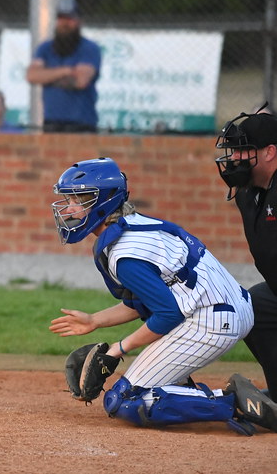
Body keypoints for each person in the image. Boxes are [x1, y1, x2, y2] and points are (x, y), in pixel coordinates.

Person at [48, 157, 276, 434]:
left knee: (124, 400)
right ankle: (176, 384)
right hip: (230, 308)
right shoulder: (135, 224)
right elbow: (150, 301)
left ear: (104, 202)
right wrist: (95, 320)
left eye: (78, 200)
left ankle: (234, 402)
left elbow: (168, 313)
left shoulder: (124, 255)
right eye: (69, 200)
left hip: (210, 321)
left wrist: (117, 349)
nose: (69, 209)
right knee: (145, 386)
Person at [214, 107, 277, 394]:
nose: (235, 159)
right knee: (253, 307)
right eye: (234, 151)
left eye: (243, 150)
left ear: (270, 152)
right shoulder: (248, 193)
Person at [25, 3, 101, 132]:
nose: (65, 23)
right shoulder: (45, 48)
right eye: (61, 19)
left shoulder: (89, 48)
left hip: (82, 123)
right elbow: (32, 76)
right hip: (51, 121)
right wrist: (66, 71)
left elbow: (81, 81)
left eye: (70, 19)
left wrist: (47, 77)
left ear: (79, 21)